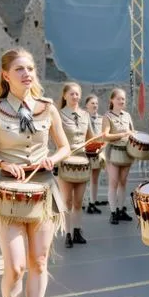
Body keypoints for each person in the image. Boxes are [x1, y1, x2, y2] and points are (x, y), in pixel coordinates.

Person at [0, 48, 70, 297]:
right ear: (6, 75)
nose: (28, 73)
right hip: (8, 194)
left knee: (39, 261)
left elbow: (65, 146)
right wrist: (1, 163)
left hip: (43, 190)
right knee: (16, 265)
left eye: (31, 68)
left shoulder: (48, 107)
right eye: (20, 69)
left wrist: (53, 158)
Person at [58, 82, 94, 248]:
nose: (75, 97)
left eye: (77, 94)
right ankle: (67, 233)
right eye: (71, 94)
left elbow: (91, 138)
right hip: (66, 161)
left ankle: (77, 231)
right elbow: (56, 139)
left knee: (78, 201)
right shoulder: (58, 115)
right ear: (65, 95)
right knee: (67, 201)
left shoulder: (85, 115)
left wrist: (97, 145)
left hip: (82, 162)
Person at [102, 88, 134, 224]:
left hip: (126, 151)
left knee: (123, 182)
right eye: (119, 98)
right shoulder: (107, 116)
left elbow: (132, 131)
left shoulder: (127, 115)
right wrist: (122, 135)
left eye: (123, 99)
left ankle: (121, 210)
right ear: (112, 100)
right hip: (113, 151)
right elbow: (105, 136)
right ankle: (113, 212)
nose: (121, 101)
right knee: (113, 182)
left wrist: (133, 134)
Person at [84, 94, 107, 213]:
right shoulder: (82, 118)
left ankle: (92, 202)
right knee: (83, 178)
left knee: (94, 178)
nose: (95, 105)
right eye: (92, 103)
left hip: (97, 151)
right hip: (85, 151)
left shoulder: (102, 119)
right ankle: (84, 201)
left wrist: (103, 146)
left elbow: (105, 135)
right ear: (86, 105)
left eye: (96, 103)